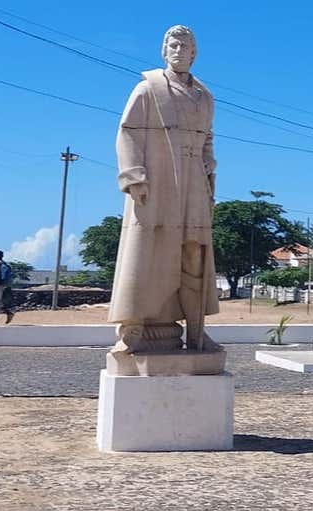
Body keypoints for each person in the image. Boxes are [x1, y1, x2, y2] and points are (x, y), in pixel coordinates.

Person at [108, 25, 219, 353]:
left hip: (195, 185)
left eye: (185, 46)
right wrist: (134, 176)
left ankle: (196, 328)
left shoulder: (205, 97)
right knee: (147, 250)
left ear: (194, 53)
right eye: (173, 45)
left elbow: (207, 139)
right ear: (163, 49)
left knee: (194, 253)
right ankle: (134, 328)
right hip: (157, 182)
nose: (179, 50)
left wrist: (209, 165)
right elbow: (128, 132)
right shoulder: (148, 90)